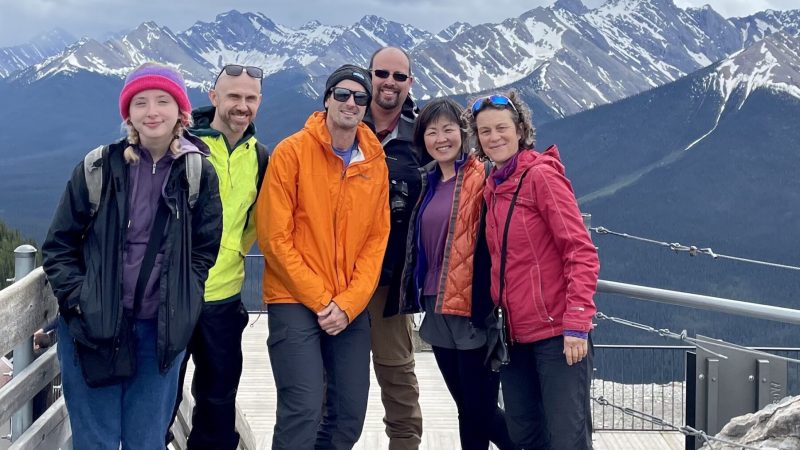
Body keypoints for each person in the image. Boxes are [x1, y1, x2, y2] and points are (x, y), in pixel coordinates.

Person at [42, 62, 222, 449]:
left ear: (181, 111)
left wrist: (184, 300)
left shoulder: (198, 174)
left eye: (163, 100)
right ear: (128, 113)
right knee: (96, 442)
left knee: (146, 441)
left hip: (159, 332)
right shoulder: (97, 168)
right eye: (140, 102)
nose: (152, 111)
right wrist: (79, 302)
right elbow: (59, 245)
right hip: (92, 331)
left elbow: (205, 250)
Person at [256, 64, 390, 450]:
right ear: (327, 99)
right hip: (294, 299)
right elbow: (274, 236)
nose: (351, 103)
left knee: (348, 414)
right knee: (303, 407)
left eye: (360, 97)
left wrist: (347, 304)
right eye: (343, 95)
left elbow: (376, 239)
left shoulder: (374, 161)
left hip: (349, 303)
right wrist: (320, 299)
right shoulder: (291, 152)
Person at [467, 89, 599, 450]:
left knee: (566, 438)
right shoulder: (493, 186)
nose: (494, 137)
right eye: (484, 131)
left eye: (501, 128)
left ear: (521, 129)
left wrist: (577, 321)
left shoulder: (541, 177)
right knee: (524, 434)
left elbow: (580, 251)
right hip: (514, 336)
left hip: (558, 334)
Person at [398, 98, 516, 450]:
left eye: (449, 129)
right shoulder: (429, 181)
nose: (441, 138)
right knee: (467, 408)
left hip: (471, 307)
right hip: (436, 306)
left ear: (464, 134)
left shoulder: (483, 175)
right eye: (432, 131)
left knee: (480, 411)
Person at [167, 63, 268, 449]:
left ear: (259, 102)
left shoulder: (258, 158)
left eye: (250, 98)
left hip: (224, 300)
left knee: (217, 403)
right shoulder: (182, 145)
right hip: (173, 297)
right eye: (233, 96)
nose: (241, 106)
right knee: (162, 400)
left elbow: (251, 227)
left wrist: (229, 258)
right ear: (213, 98)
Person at [363, 46, 425, 450]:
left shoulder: (422, 134)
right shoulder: (341, 119)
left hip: (391, 281)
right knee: (332, 381)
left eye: (399, 77)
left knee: (398, 377)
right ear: (369, 75)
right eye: (382, 73)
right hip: (338, 276)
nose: (390, 82)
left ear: (410, 83)